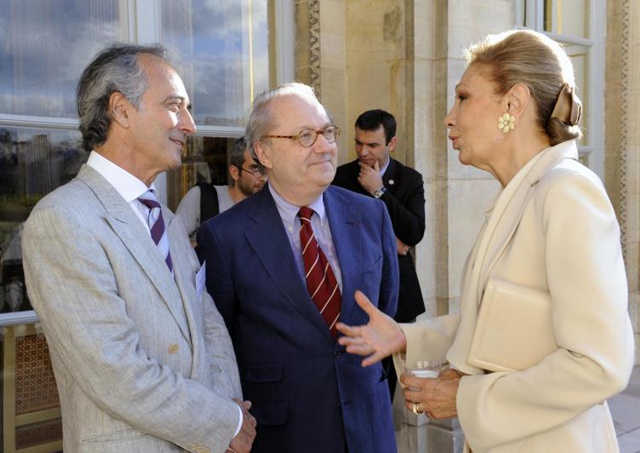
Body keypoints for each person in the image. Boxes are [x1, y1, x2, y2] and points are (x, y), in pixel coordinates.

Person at [336, 29, 635, 453]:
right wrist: (406, 338)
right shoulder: (523, 194)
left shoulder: (567, 192)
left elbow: (598, 365)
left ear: (513, 103)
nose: (449, 117)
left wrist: (466, 397)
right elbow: (495, 323)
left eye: (463, 97)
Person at [21, 43, 256, 453]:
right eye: (175, 106)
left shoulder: (165, 219)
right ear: (121, 110)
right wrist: (224, 423)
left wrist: (228, 415)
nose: (190, 125)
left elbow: (209, 327)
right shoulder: (63, 218)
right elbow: (115, 372)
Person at [197, 82, 399, 453]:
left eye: (327, 132)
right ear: (264, 152)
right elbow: (218, 348)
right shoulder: (225, 236)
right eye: (305, 136)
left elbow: (385, 311)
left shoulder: (372, 215)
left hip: (369, 429)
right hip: (283, 435)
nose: (324, 146)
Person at [332, 109, 426, 399]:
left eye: (372, 145)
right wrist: (389, 241)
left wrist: (380, 191)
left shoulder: (410, 179)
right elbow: (335, 231)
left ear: (391, 143)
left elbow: (414, 233)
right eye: (358, 143)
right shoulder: (339, 177)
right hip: (354, 293)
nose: (363, 151)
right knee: (357, 380)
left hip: (399, 295)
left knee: (389, 383)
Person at [176, 136, 266, 243]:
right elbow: (171, 243)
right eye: (255, 169)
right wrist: (207, 247)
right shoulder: (202, 198)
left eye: (266, 169)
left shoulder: (273, 208)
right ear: (235, 172)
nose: (263, 177)